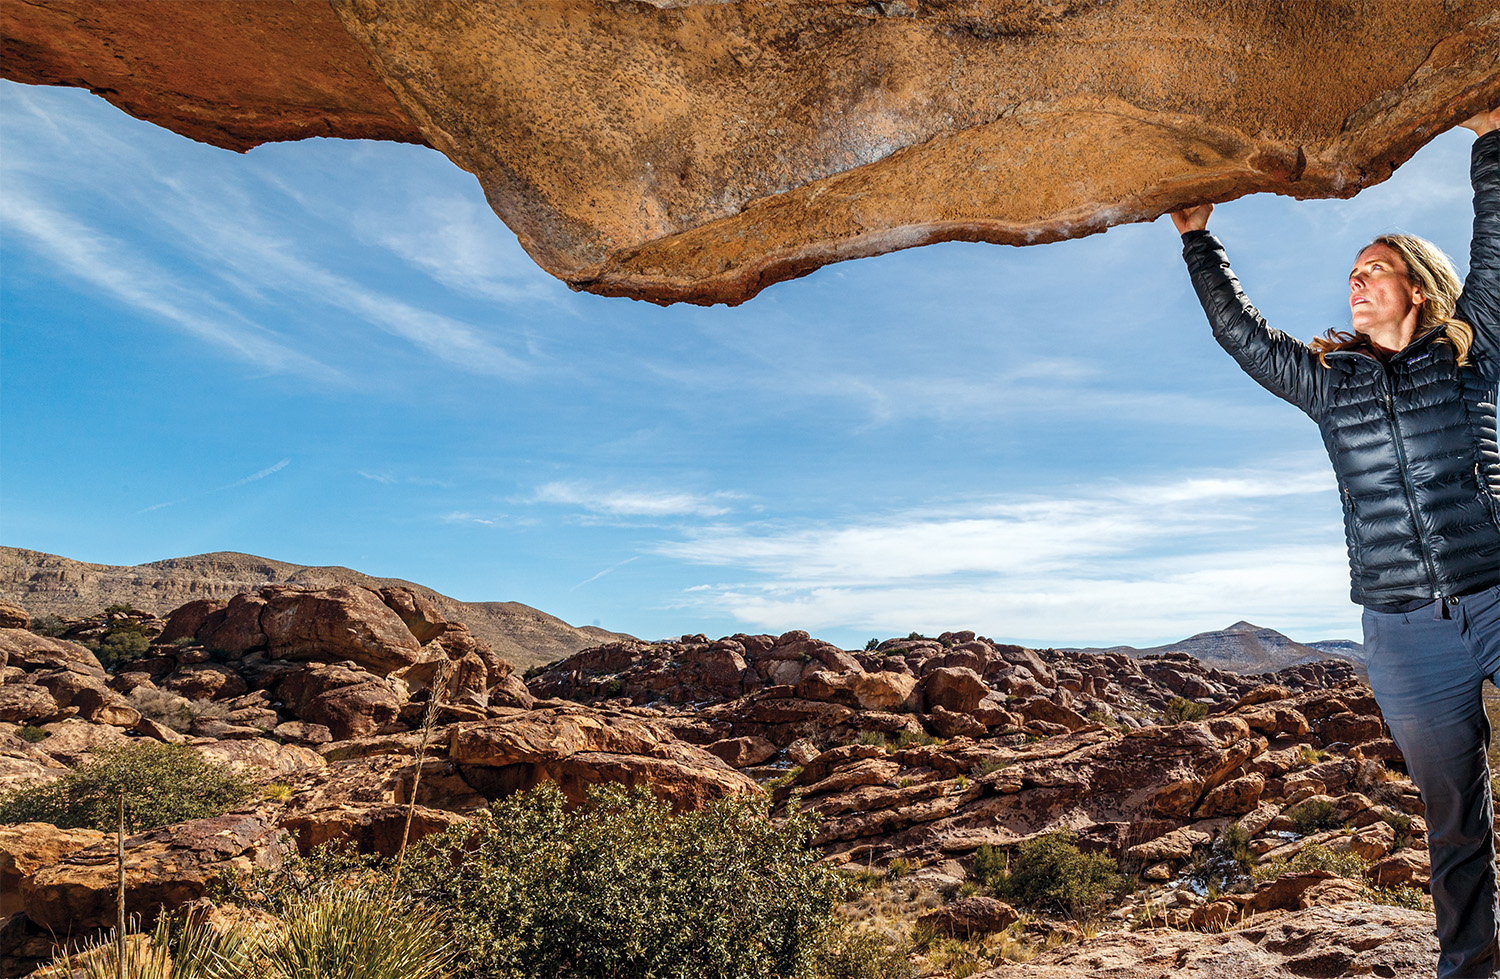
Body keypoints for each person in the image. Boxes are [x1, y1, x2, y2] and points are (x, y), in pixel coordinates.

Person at [1169, 106, 1500, 979]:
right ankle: (1469, 968)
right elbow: (1241, 335)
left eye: (1375, 270)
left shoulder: (1473, 357)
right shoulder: (1330, 386)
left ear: (1416, 290)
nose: (1357, 282)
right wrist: (1200, 240)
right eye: (1352, 272)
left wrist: (1490, 144)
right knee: (1454, 815)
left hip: (1496, 590)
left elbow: (1496, 264)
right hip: (1402, 633)